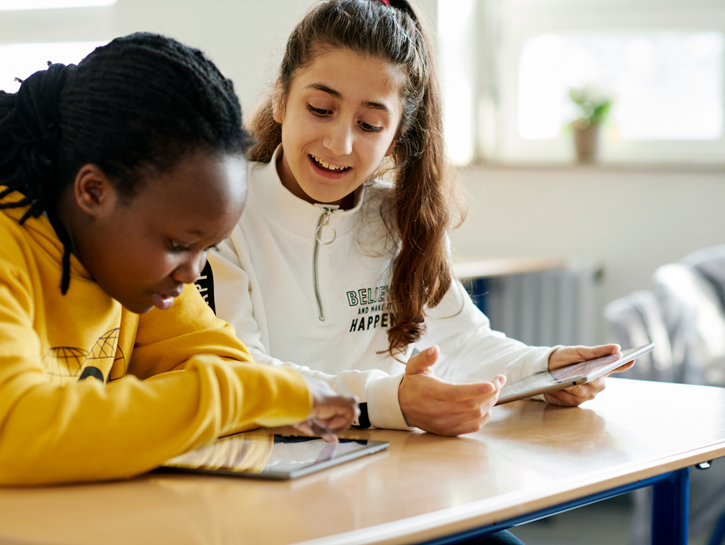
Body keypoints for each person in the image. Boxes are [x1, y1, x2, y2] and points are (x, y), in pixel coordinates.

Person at [0, 32, 357, 486]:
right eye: (180, 244)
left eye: (206, 247)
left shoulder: (129, 269)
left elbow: (224, 364)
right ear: (93, 192)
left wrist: (227, 396)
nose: (193, 271)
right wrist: (247, 395)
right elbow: (6, 437)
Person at [205, 0, 633, 438]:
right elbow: (239, 371)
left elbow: (461, 343)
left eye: (370, 124)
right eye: (320, 109)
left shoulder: (401, 219)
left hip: (382, 468)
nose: (340, 143)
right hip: (264, 467)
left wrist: (543, 371)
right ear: (281, 98)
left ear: (396, 138)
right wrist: (390, 402)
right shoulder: (219, 209)